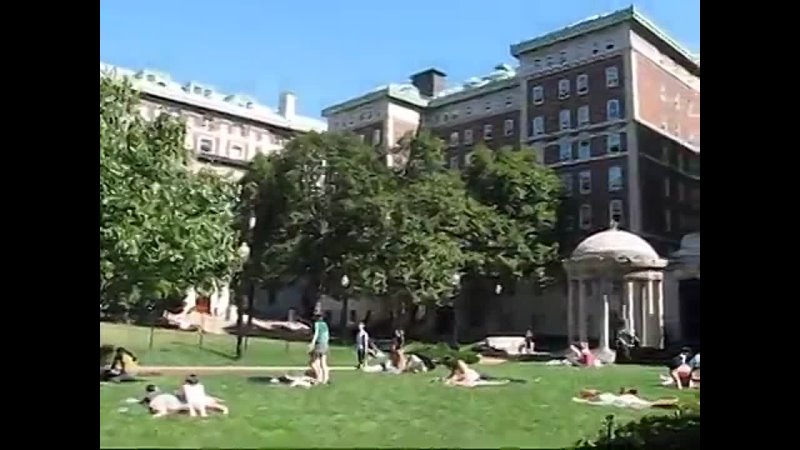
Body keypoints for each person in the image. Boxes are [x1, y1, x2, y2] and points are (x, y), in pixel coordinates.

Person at [308, 313, 331, 384]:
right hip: (325, 344)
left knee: (313, 362)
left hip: (319, 344)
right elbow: (327, 335)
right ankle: (326, 378)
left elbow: (316, 333)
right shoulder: (325, 324)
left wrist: (312, 343)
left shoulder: (317, 324)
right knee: (323, 363)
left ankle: (319, 377)